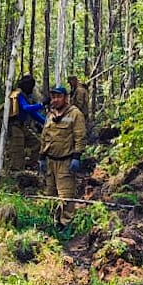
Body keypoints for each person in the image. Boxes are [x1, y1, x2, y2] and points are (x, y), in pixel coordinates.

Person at [38, 85, 87, 228]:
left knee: (65, 197)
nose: (55, 100)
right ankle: (51, 224)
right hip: (50, 161)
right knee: (50, 195)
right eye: (53, 97)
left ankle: (66, 226)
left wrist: (77, 157)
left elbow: (80, 137)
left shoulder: (75, 114)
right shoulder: (50, 115)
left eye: (59, 96)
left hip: (66, 162)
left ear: (66, 98)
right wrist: (41, 157)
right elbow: (44, 137)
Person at [6, 74, 46, 172]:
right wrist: (42, 104)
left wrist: (47, 122)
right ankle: (16, 171)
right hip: (14, 126)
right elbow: (26, 108)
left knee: (37, 144)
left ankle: (30, 165)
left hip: (21, 125)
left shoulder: (26, 96)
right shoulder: (18, 94)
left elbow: (32, 113)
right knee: (17, 149)